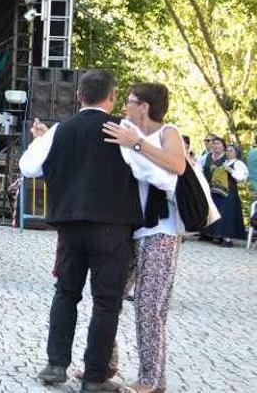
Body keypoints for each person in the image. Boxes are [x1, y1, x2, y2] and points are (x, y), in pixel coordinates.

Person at [18, 70, 145, 392]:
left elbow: (28, 167)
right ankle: (94, 377)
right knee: (106, 302)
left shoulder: (61, 130)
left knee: (66, 293)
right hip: (112, 225)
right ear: (113, 96)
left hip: (70, 225)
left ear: (78, 96)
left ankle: (56, 364)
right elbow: (146, 172)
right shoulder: (124, 130)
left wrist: (42, 140)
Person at [101, 83, 185, 393]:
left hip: (159, 232)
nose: (125, 106)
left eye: (130, 101)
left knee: (149, 306)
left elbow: (177, 165)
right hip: (128, 228)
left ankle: (152, 379)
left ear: (145, 107)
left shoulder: (168, 133)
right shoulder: (124, 131)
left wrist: (137, 144)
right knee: (108, 296)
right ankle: (105, 362)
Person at [201, 138, 248, 247]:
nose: (228, 152)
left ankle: (228, 240)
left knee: (228, 214)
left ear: (236, 152)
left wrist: (230, 170)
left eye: (231, 151)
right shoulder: (227, 162)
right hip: (221, 190)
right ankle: (221, 237)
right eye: (228, 151)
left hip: (230, 191)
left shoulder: (238, 163)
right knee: (222, 214)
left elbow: (241, 177)